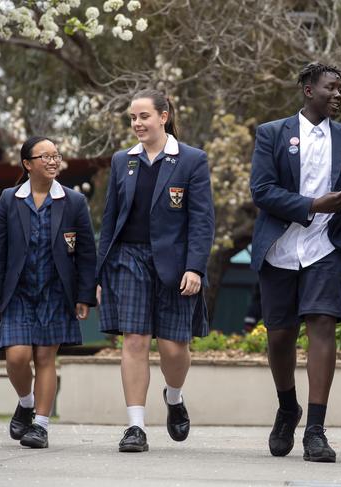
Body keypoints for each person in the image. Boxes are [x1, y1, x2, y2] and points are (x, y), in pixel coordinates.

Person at [250, 62, 341, 462]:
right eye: (331, 88)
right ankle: (288, 408)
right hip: (280, 248)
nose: (338, 94)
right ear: (307, 89)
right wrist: (312, 204)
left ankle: (315, 429)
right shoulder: (271, 134)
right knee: (280, 336)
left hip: (326, 248)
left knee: (322, 326)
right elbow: (262, 191)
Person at [97, 89, 215, 453]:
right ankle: (135, 426)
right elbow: (109, 218)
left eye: (143, 116)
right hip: (128, 259)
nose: (137, 124)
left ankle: (174, 397)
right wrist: (99, 275)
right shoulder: (122, 161)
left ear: (164, 117)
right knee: (134, 340)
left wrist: (195, 267)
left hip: (176, 265)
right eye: (133, 118)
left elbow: (202, 220)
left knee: (173, 348)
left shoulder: (191, 160)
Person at [0, 136, 97, 449]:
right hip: (17, 291)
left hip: (56, 291)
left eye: (56, 155)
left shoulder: (73, 201)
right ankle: (26, 402)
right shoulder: (9, 199)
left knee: (45, 357)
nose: (53, 161)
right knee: (17, 357)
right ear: (28, 164)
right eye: (45, 156)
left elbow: (86, 252)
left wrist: (85, 295)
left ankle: (40, 426)